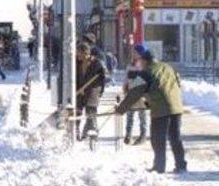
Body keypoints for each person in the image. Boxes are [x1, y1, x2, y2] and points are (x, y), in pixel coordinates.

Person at [116, 45, 187, 174]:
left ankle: (159, 167)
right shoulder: (168, 67)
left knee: (157, 139)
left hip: (161, 111)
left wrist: (121, 109)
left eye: (140, 61)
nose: (139, 64)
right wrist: (151, 102)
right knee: (175, 138)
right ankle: (181, 165)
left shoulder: (145, 73)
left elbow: (133, 93)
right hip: (176, 108)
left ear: (144, 61)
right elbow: (175, 84)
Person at [75, 42, 106, 140]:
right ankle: (75, 133)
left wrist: (99, 92)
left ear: (85, 53)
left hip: (93, 91)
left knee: (90, 113)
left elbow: (102, 79)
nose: (77, 55)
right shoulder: (77, 63)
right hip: (80, 92)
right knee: (76, 112)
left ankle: (92, 134)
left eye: (78, 53)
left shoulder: (96, 63)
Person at [123, 47, 148, 145]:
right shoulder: (130, 65)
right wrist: (125, 88)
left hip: (141, 94)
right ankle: (128, 135)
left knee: (142, 116)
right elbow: (126, 78)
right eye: (133, 52)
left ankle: (143, 135)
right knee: (130, 115)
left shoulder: (145, 66)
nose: (133, 54)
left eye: (136, 52)